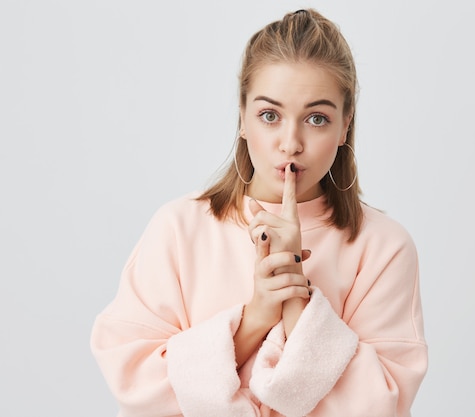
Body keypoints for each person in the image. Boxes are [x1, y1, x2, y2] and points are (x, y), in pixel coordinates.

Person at [91, 8, 427, 417]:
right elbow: (136, 384)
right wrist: (254, 319)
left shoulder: (384, 247)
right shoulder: (179, 228)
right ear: (243, 117)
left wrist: (295, 301)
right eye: (270, 115)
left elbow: (381, 405)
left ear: (345, 125)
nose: (291, 143)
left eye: (317, 119)